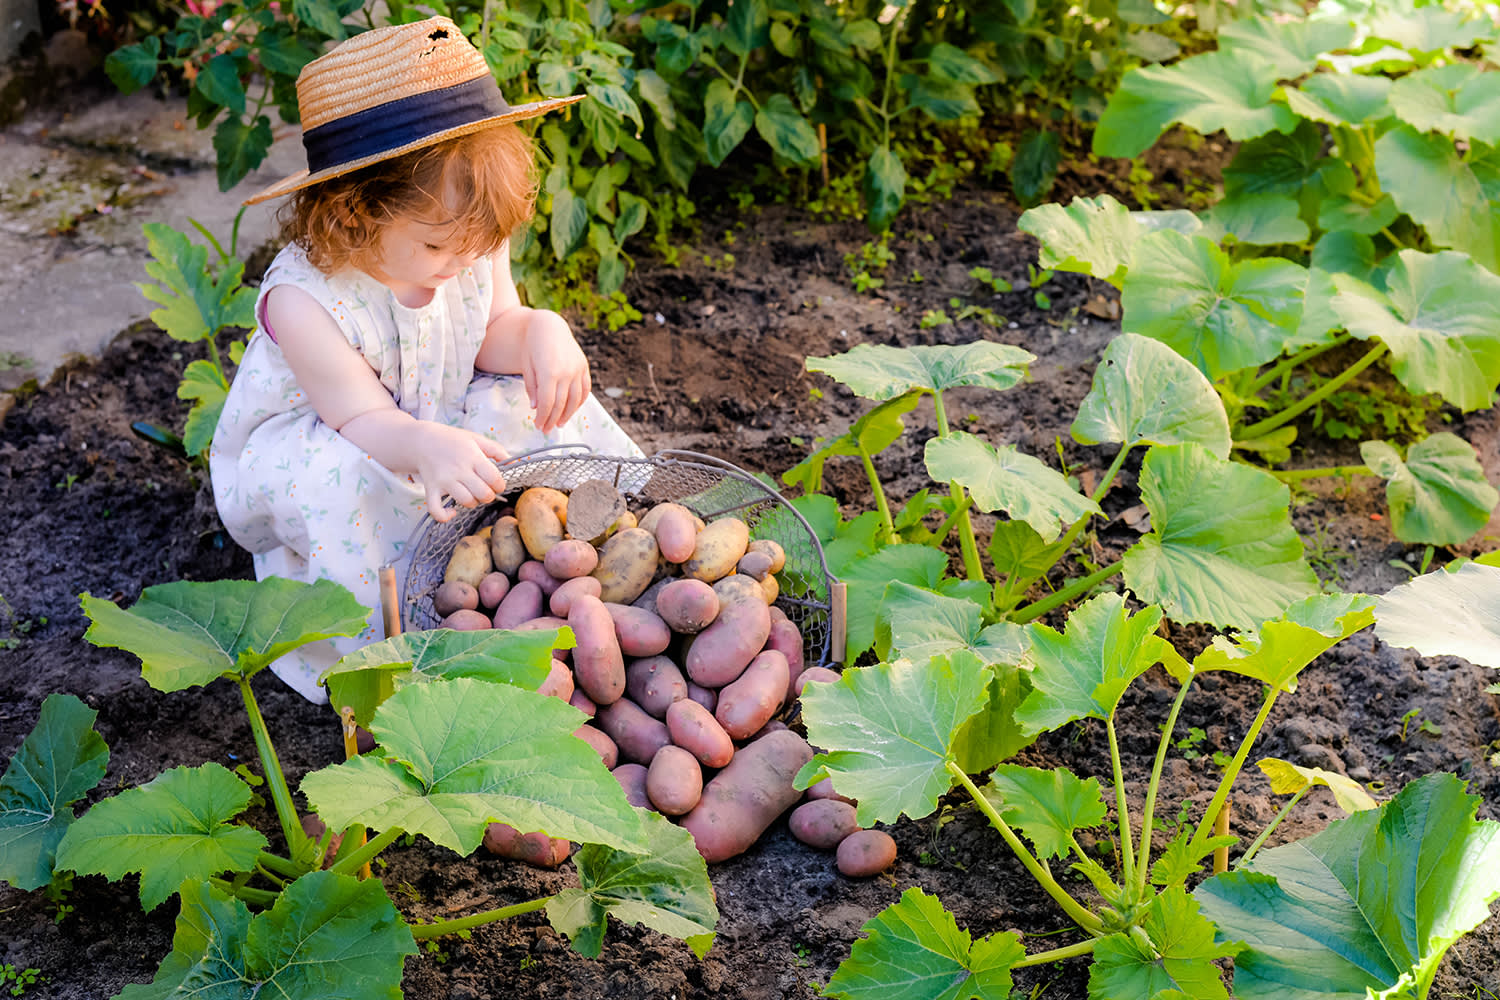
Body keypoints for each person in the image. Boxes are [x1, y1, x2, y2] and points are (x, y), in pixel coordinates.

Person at [209, 16, 642, 703]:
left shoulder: (465, 234)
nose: (465, 261)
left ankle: (575, 543)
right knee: (347, 483)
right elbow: (360, 417)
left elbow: (491, 328)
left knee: (528, 397)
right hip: (348, 434)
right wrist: (421, 444)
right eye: (440, 249)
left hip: (434, 406)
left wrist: (538, 329)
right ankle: (386, 648)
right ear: (352, 217)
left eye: (480, 243)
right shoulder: (305, 299)